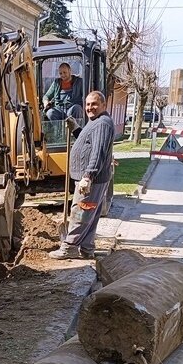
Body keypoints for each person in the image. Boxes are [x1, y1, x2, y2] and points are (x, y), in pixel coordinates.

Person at [50, 91, 114, 260]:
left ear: (104, 105)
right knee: (91, 216)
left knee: (81, 212)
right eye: (87, 104)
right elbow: (88, 144)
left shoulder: (102, 124)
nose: (89, 108)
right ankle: (87, 248)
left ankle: (69, 247)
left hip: (91, 180)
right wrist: (77, 129)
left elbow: (98, 152)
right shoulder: (95, 122)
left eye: (94, 104)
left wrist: (88, 176)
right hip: (94, 179)